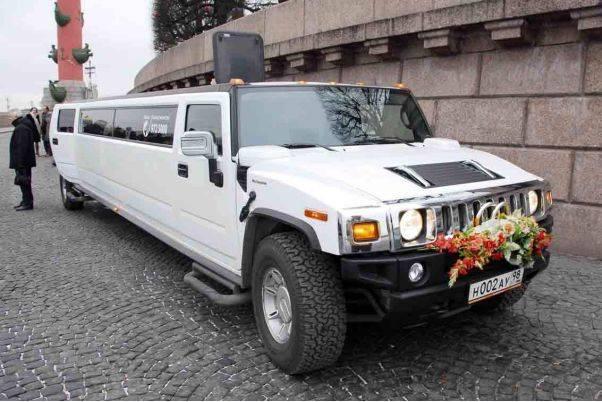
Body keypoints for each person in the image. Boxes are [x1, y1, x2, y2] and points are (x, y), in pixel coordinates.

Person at [9, 113, 37, 211]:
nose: (10, 118)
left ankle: (27, 203)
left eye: (11, 116)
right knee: (24, 182)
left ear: (16, 117)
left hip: (23, 162)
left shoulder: (21, 128)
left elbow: (22, 147)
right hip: (24, 161)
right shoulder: (23, 126)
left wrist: (20, 163)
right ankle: (25, 200)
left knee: (24, 182)